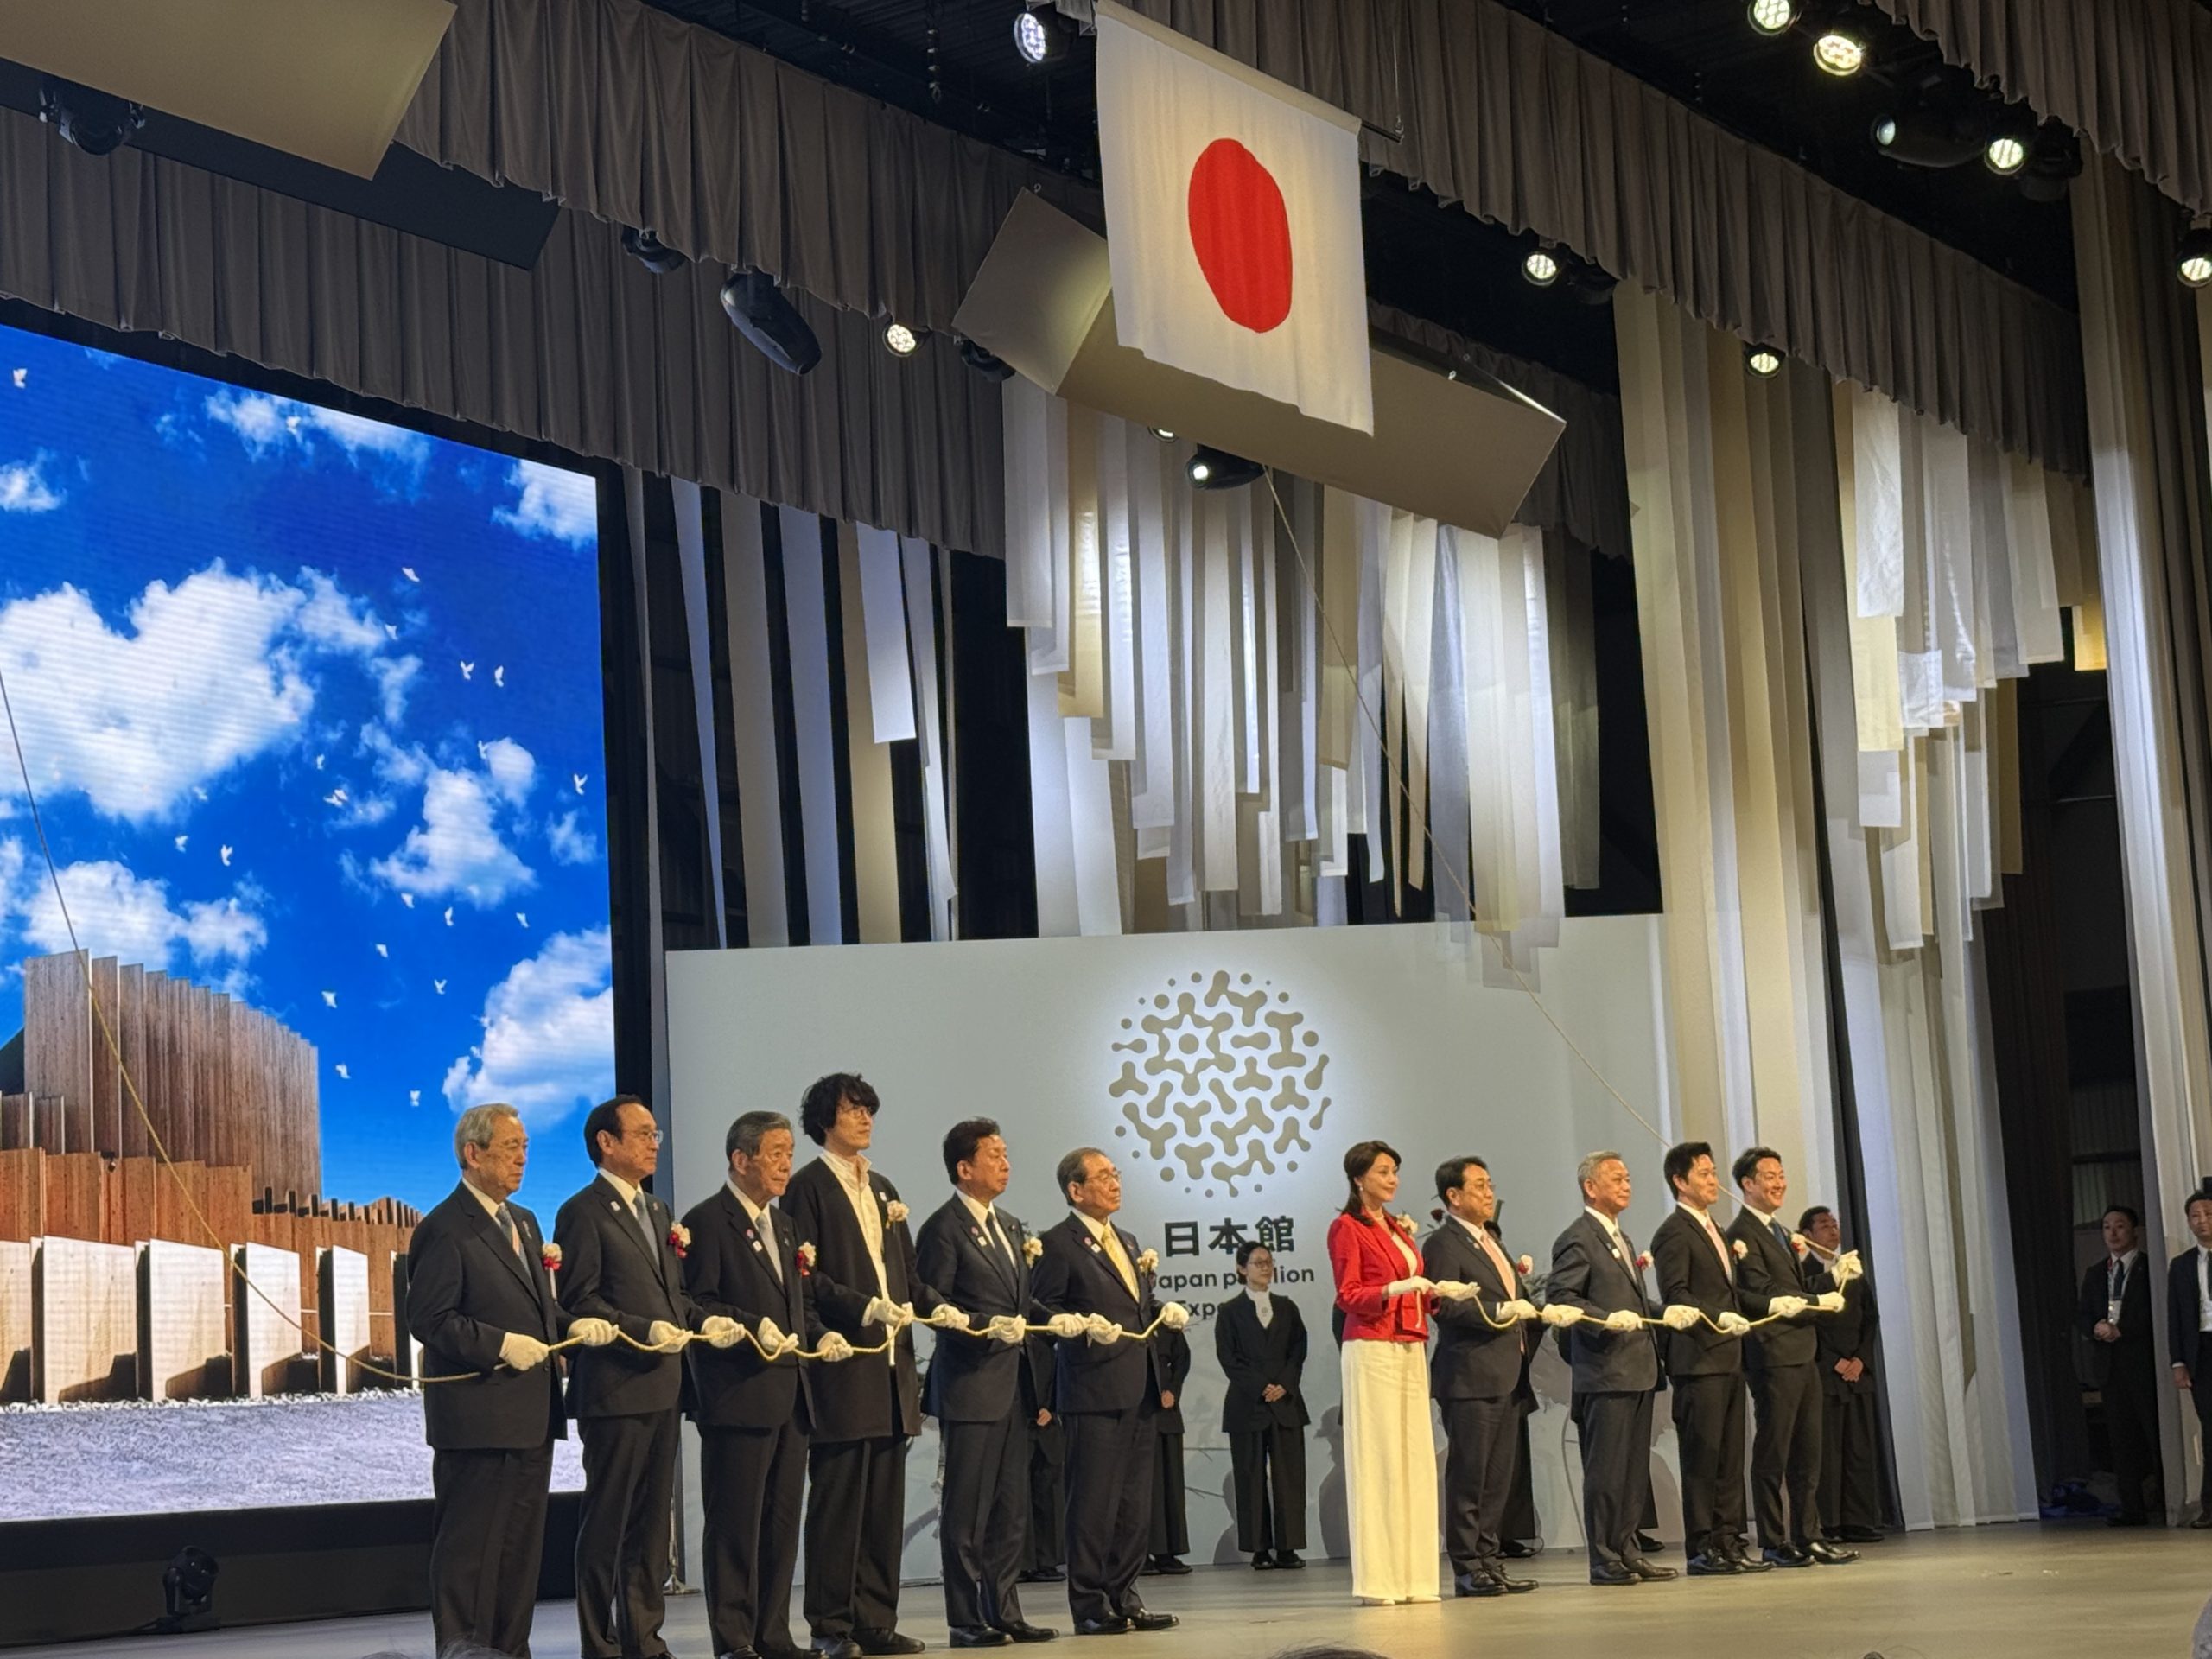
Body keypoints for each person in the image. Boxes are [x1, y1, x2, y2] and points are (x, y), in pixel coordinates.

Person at [406, 1103, 616, 1659]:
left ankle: (509, 1650)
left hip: (530, 1418)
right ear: (473, 1154)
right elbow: (429, 1319)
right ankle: (464, 1650)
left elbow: (539, 1311)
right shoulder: (444, 1227)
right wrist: (498, 1344)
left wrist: (576, 1324)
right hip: (476, 1421)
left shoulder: (523, 1221)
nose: (523, 1158)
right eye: (510, 1148)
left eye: (525, 1147)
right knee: (470, 1553)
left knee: (519, 1553)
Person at [782, 1073, 961, 1656]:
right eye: (853, 1110)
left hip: (893, 1366)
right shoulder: (808, 1187)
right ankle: (831, 1626)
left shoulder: (882, 1188)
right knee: (839, 1503)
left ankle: (875, 1621)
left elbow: (907, 1275)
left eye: (869, 1110)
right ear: (824, 1120)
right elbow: (807, 1275)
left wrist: (942, 1309)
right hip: (846, 1364)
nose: (865, 1120)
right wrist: (863, 1308)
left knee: (884, 1505)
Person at [556, 1096, 740, 1659]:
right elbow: (578, 1299)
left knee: (651, 1527)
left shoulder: (659, 1213)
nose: (653, 1142)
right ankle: (599, 1642)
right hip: (614, 1388)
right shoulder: (583, 1211)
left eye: (655, 1133)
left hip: (663, 1386)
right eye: (641, 1133)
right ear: (606, 1143)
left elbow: (675, 1297)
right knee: (608, 1521)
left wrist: (708, 1321)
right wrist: (644, 1328)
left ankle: (645, 1638)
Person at [683, 1110, 855, 1659]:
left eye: (788, 1153)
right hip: (739, 1395)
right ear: (741, 1159)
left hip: (792, 1395)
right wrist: (752, 1324)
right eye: (776, 1153)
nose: (787, 1164)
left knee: (781, 1525)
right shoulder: (707, 1221)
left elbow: (800, 1306)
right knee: (735, 1523)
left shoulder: (783, 1225)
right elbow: (697, 1304)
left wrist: (824, 1335)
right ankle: (733, 1639)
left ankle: (772, 1634)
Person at [913, 1118, 1058, 1646]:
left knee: (1009, 1507)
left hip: (1014, 1386)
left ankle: (1005, 1609)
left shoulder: (1013, 1226)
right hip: (970, 1386)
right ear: (964, 1168)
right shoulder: (944, 1227)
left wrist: (1059, 1320)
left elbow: (1019, 1305)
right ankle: (965, 1618)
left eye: (1005, 1153)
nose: (1005, 1162)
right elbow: (932, 1304)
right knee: (967, 1509)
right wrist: (978, 1326)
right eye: (993, 1154)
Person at [1029, 1147, 1183, 1636]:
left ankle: (1125, 1595)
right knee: (1093, 1502)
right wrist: (1073, 1326)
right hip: (1093, 1389)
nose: (1115, 1182)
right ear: (1076, 1190)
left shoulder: (1128, 1239)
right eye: (1102, 1176)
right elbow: (1041, 1310)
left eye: (1115, 1174)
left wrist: (1164, 1310)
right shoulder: (1057, 1243)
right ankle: (1090, 1604)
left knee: (1133, 1504)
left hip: (1138, 1386)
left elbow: (1138, 1303)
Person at [1545, 1149, 1673, 1587]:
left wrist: (1666, 1313)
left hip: (1638, 1370)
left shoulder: (1622, 1237)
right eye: (1615, 1178)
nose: (1626, 1184)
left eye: (1628, 1177)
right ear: (1590, 1187)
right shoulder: (1578, 1237)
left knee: (1633, 1470)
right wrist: (1603, 1320)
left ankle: (1627, 1551)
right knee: (1606, 1471)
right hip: (1606, 1373)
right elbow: (1561, 1297)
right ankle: (1603, 1557)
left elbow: (1632, 1303)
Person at [1725, 1147, 1854, 1567]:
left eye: (1781, 1175)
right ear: (1747, 1184)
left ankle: (1809, 1535)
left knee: (1807, 1453)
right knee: (1774, 1452)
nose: (1779, 1183)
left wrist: (1832, 1277)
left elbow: (1790, 1286)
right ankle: (1774, 1539)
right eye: (1769, 1176)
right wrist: (1817, 1296)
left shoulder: (1780, 1230)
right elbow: (1758, 1292)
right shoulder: (1741, 1234)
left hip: (1804, 1352)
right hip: (1773, 1355)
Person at [1326, 1139, 1442, 1605]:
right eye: (1382, 1171)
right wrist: (1395, 1288)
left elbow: (1417, 1286)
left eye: (1394, 1170)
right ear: (1359, 1178)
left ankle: (1416, 1576)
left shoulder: (1398, 1227)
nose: (1391, 1179)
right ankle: (1379, 1580)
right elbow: (1347, 1294)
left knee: (1414, 1457)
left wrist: (1438, 1292)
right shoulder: (1346, 1227)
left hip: (1410, 1344)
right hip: (1371, 1346)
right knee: (1378, 1460)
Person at [1422, 1156, 1538, 1598]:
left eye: (1490, 1184)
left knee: (1498, 1478)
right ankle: (1468, 1566)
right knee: (1470, 1476)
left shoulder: (1490, 1239)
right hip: (1470, 1377)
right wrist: (1497, 1312)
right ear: (1453, 1196)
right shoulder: (1444, 1243)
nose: (1489, 1193)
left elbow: (1516, 1296)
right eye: (1479, 1186)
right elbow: (1444, 1305)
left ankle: (1491, 1561)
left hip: (1509, 1373)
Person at [1650, 1141, 1758, 1578]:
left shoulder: (1716, 1228)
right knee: (1704, 1457)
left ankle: (1729, 1540)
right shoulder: (1674, 1232)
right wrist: (1720, 1318)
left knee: (1732, 1457)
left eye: (1714, 1172)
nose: (1714, 1181)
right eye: (1704, 1173)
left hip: (1729, 1358)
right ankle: (1702, 1547)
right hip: (1698, 1360)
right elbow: (1678, 1295)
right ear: (1680, 1181)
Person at [1214, 1239, 1310, 1572]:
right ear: (1241, 1269)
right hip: (1247, 1405)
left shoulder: (1287, 1307)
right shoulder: (1229, 1311)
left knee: (1289, 1477)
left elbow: (1298, 1351)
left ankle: (1288, 1547)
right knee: (1250, 1478)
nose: (1265, 1267)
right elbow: (1229, 1358)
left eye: (1268, 1262)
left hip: (1286, 1403)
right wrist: (1261, 1386)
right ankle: (1258, 1549)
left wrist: (1283, 1385)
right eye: (1257, 1262)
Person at [1800, 1205, 1884, 1545]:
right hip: (1826, 1372)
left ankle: (1859, 1519)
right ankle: (1829, 1522)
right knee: (1828, 1451)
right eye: (1824, 1225)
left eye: (1835, 1224)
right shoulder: (1804, 1273)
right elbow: (1809, 1322)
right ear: (1807, 1235)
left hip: (1857, 1372)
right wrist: (1835, 1361)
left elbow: (1870, 1319)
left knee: (1859, 1449)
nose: (1833, 1229)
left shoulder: (1852, 1270)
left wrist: (1860, 1359)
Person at [2081, 1202, 2160, 1526]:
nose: (2112, 1233)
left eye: (2120, 1226)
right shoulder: (2097, 1272)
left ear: (2135, 1231)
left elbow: (2152, 1314)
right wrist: (2096, 1328)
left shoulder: (2148, 1268)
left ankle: (2167, 1501)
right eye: (2107, 1227)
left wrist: (2122, 1329)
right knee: (2121, 1441)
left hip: (2142, 1365)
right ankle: (2132, 1509)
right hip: (2110, 1369)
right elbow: (2083, 1313)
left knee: (2152, 1435)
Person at [1146, 1325, 1194, 1574]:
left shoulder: (1165, 1320)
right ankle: (1141, 1554)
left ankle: (1168, 1553)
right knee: (1142, 1490)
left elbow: (1182, 1359)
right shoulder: (1123, 1319)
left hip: (1168, 1412)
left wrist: (1173, 1391)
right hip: (1139, 1413)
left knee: (1171, 1486)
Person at [1020, 1330, 1068, 1582]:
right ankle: (1021, 1563)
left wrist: (1050, 1408)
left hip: (1048, 1430)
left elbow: (1064, 1381)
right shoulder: (1011, 1348)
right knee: (1018, 1500)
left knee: (1049, 1499)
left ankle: (1047, 1561)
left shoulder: (1052, 1348)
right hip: (1020, 1430)